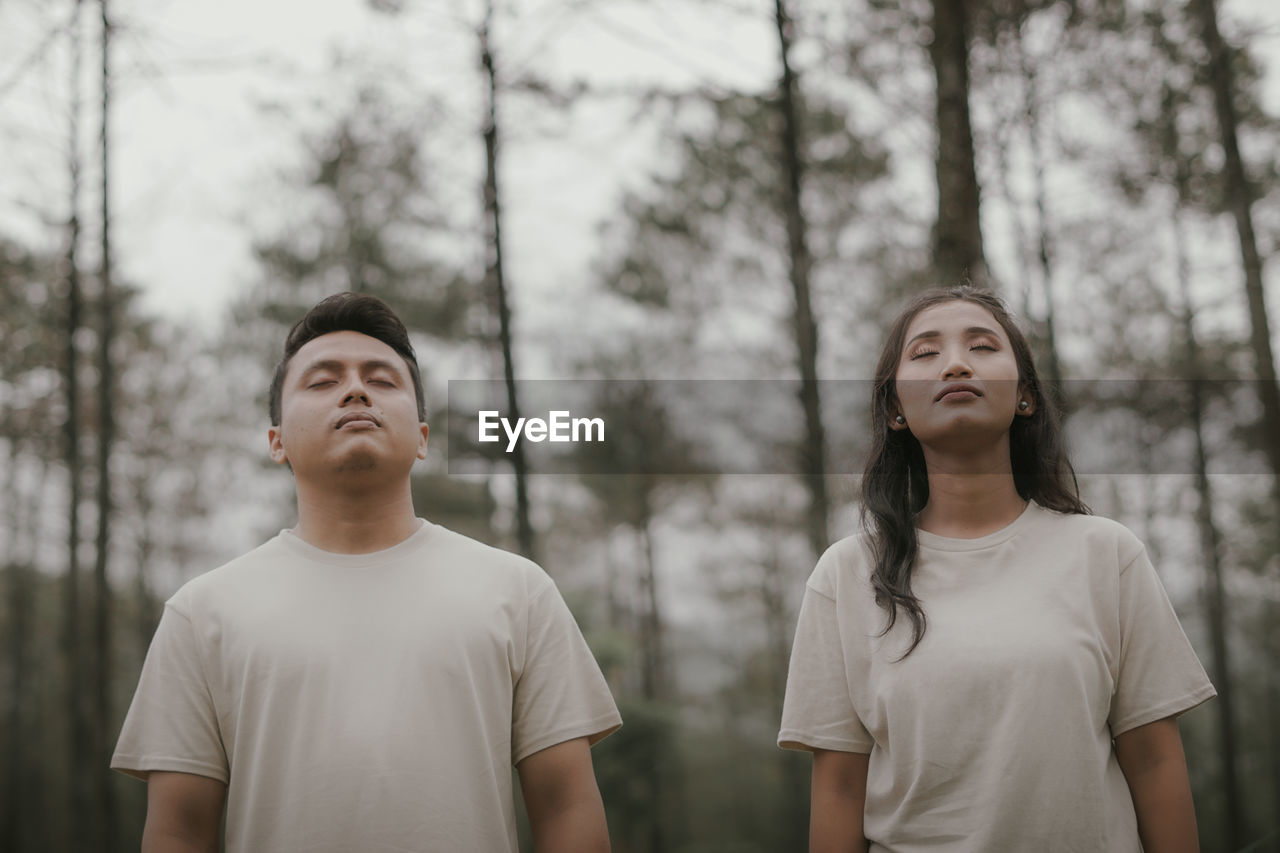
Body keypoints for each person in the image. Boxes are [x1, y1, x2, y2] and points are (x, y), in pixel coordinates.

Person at [113, 292, 622, 853]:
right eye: (322, 381)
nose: (355, 390)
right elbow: (178, 831)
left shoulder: (519, 591)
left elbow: (566, 808)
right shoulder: (201, 611)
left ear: (423, 437)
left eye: (381, 380)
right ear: (276, 441)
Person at [778, 286, 1215, 852]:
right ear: (895, 411)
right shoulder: (844, 574)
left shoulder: (1106, 554)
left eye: (982, 346)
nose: (956, 363)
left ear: (1025, 396)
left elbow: (1155, 761)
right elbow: (838, 788)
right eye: (925, 353)